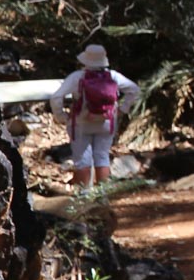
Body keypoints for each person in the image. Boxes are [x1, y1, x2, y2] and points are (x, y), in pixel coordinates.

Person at [49, 44, 140, 190]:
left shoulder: (77, 77)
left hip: (81, 122)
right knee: (102, 157)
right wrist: (123, 109)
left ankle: (84, 196)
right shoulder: (113, 76)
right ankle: (103, 194)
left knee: (82, 160)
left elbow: (56, 97)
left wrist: (61, 116)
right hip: (107, 122)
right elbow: (134, 90)